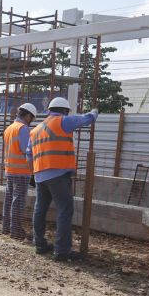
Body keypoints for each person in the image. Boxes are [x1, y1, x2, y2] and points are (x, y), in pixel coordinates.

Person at [26, 97, 98, 261]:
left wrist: (33, 174)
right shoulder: (63, 121)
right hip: (58, 174)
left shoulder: (35, 130)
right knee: (65, 210)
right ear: (65, 110)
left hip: (39, 176)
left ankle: (39, 244)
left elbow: (28, 155)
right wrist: (95, 111)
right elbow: (87, 119)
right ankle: (62, 251)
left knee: (40, 210)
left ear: (50, 109)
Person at [1, 103, 37, 240]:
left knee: (9, 199)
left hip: (10, 169)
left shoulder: (9, 128)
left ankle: (6, 228)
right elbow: (26, 151)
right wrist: (33, 171)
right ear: (28, 116)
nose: (31, 120)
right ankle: (16, 232)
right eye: (31, 118)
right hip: (21, 171)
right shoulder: (23, 129)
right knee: (18, 201)